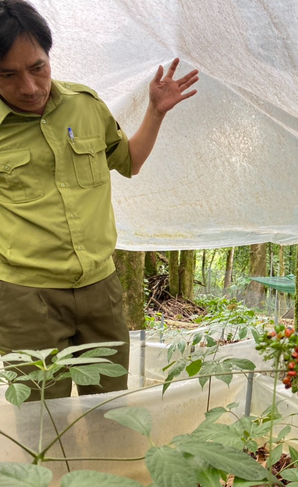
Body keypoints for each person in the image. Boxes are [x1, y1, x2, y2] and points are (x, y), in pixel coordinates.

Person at [0, 0, 198, 400]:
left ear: (49, 56)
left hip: (100, 290)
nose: (30, 87)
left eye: (37, 67)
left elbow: (130, 161)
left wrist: (156, 112)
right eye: (8, 75)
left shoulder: (85, 106)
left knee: (108, 408)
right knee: (42, 418)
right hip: (26, 298)